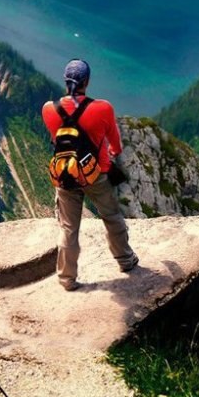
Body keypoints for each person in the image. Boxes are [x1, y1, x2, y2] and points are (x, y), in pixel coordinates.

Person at [41, 59, 138, 291]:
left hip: (66, 176)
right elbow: (116, 145)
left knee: (68, 228)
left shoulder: (49, 109)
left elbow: (57, 139)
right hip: (97, 175)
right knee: (111, 217)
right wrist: (111, 153)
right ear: (87, 82)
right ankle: (125, 261)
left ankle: (67, 278)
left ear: (66, 81)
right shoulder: (103, 108)